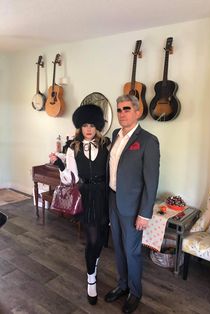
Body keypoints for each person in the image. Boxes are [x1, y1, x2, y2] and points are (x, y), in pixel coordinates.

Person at [49, 104, 110, 306]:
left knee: (101, 236)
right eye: (85, 125)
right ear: (80, 127)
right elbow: (69, 178)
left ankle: (95, 261)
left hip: (104, 195)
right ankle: (91, 279)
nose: (89, 129)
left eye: (92, 125)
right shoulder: (73, 148)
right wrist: (59, 164)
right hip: (86, 195)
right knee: (91, 238)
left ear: (98, 126)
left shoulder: (106, 145)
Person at [104, 94, 160, 313]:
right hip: (112, 200)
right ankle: (122, 285)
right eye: (119, 110)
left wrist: (144, 213)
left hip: (133, 207)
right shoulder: (116, 135)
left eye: (126, 109)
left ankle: (135, 292)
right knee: (118, 247)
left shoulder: (148, 140)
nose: (122, 113)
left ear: (137, 111)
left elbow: (151, 181)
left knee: (132, 251)